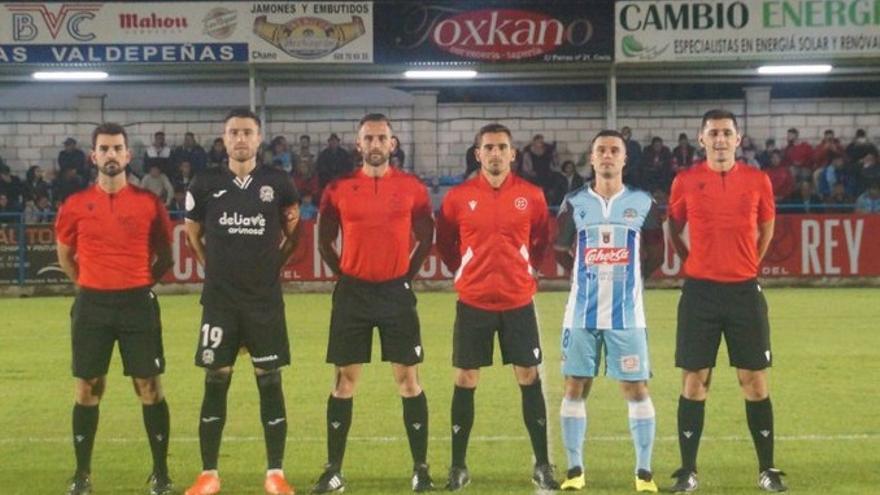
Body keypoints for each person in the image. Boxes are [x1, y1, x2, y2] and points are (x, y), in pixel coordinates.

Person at [312, 113, 435, 493]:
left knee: (408, 380)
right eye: (369, 138)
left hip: (395, 294)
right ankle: (333, 470)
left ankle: (420, 469)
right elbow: (324, 239)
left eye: (383, 138)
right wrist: (344, 274)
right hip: (353, 295)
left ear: (392, 144)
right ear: (359, 144)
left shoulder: (413, 188)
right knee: (344, 381)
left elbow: (426, 236)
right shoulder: (339, 188)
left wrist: (405, 276)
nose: (376, 144)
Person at [667, 110, 787, 492]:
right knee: (695, 380)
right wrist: (691, 261)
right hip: (699, 292)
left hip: (743, 292)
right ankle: (688, 471)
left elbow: (767, 225)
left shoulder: (757, 180)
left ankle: (767, 469)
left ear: (738, 139)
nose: (720, 139)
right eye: (713, 133)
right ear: (701, 139)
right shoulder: (685, 180)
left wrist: (752, 260)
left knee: (753, 380)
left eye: (726, 133)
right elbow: (672, 223)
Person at [183, 109, 301, 495]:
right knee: (215, 380)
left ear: (259, 137)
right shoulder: (204, 183)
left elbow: (293, 233)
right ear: (224, 137)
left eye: (247, 132)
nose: (240, 139)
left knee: (270, 381)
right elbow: (193, 234)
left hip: (264, 302)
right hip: (219, 302)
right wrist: (213, 268)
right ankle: (209, 474)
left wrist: (270, 269)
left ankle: (275, 474)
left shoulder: (278, 183)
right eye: (234, 132)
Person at [435, 123, 558, 492]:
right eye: (488, 147)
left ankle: (542, 464)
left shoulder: (532, 195)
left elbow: (541, 240)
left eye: (502, 147)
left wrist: (526, 270)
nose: (495, 153)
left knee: (528, 376)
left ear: (512, 154)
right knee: (466, 378)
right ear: (478, 154)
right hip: (473, 301)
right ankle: (458, 465)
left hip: (518, 300)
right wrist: (465, 271)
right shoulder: (457, 197)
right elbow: (445, 244)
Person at [55, 123, 175, 495]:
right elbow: (65, 258)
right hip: (92, 305)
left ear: (127, 155)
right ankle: (82, 475)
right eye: (103, 148)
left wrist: (138, 284)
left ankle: (160, 473)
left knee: (149, 386)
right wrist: (91, 285)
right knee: (88, 388)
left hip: (137, 303)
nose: (110, 154)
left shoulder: (148, 202)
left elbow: (165, 256)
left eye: (117, 148)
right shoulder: (75, 205)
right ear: (93, 156)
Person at [553, 130, 665, 493]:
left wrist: (631, 283)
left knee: (635, 388)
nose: (607, 156)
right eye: (600, 150)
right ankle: (574, 470)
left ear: (624, 158)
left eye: (613, 150)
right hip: (581, 315)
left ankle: (644, 473)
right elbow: (559, 250)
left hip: (627, 317)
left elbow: (656, 254)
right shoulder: (573, 203)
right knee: (574, 386)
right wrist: (584, 278)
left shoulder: (643, 203)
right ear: (591, 157)